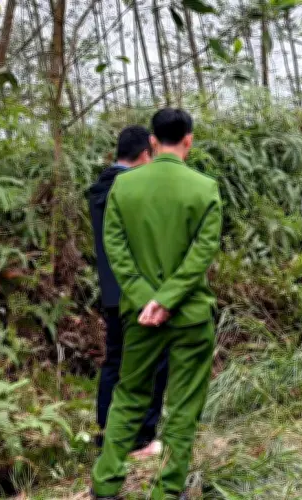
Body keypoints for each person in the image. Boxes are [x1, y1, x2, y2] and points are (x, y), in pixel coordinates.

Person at [91, 109, 222, 500]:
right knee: (183, 406)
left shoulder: (123, 187)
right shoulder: (205, 188)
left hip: (140, 316)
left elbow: (114, 246)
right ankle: (168, 490)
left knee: (129, 396)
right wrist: (168, 299)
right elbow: (202, 252)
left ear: (152, 140)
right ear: (189, 140)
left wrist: (146, 298)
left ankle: (105, 484)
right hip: (191, 315)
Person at [86, 126, 169, 460]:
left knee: (116, 361)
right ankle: (141, 440)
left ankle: (108, 432)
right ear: (146, 154)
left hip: (111, 291)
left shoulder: (100, 189)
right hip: (138, 290)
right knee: (154, 360)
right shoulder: (132, 189)